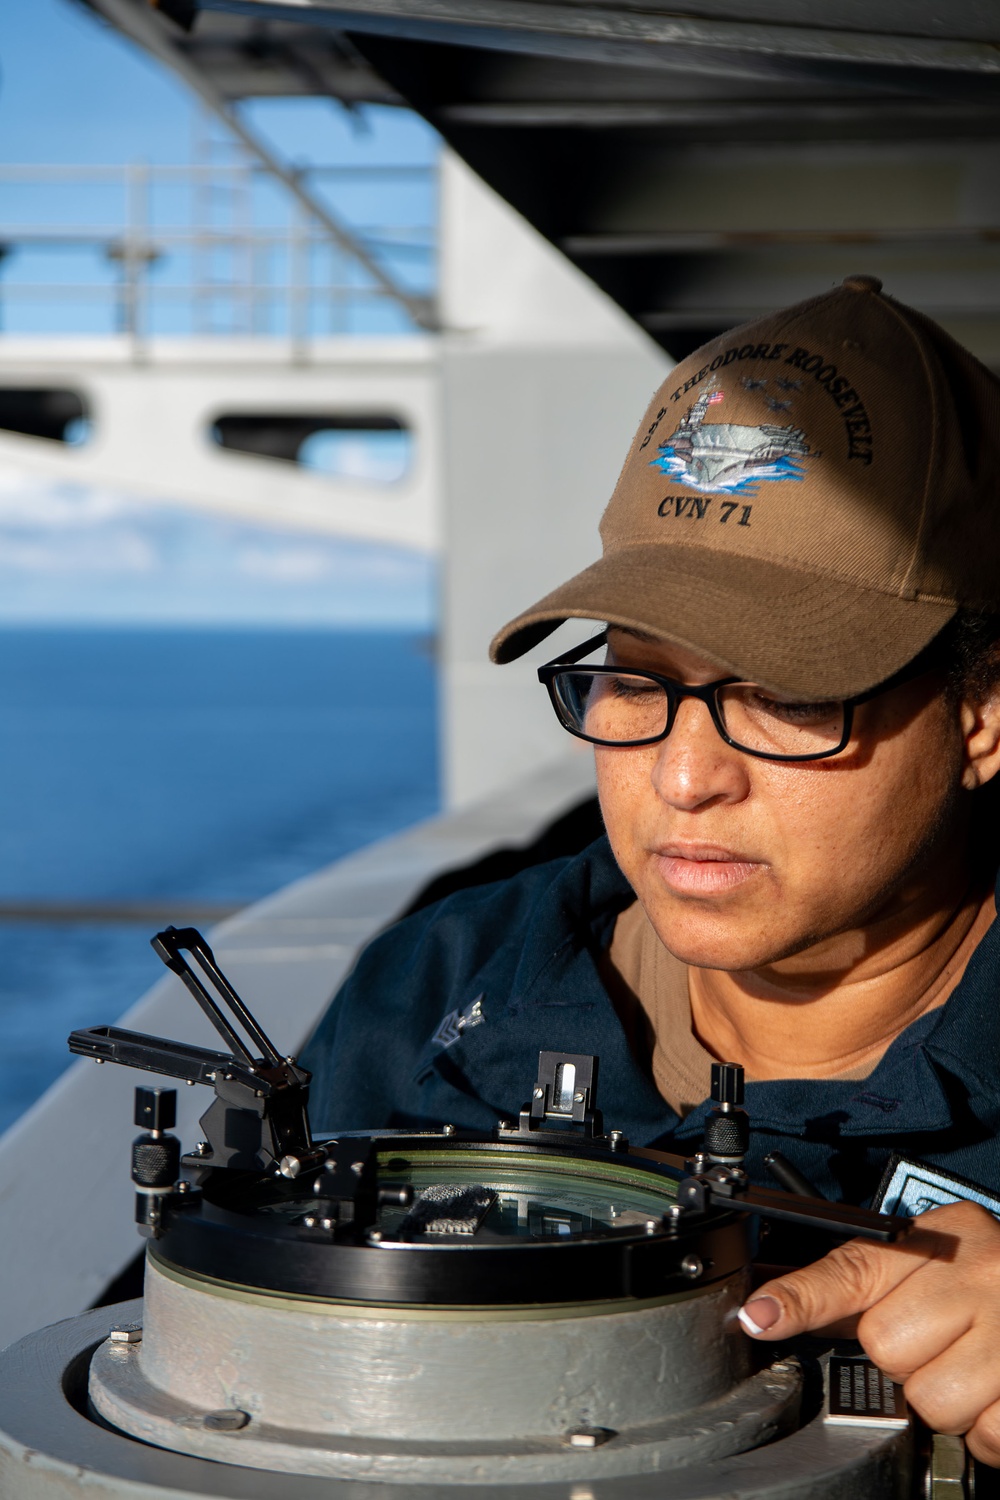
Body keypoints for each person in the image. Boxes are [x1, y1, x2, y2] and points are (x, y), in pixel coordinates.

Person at [302, 274, 1000, 1464]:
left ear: (978, 716)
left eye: (785, 698)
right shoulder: (442, 988)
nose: (682, 780)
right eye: (634, 681)